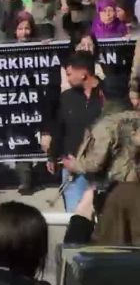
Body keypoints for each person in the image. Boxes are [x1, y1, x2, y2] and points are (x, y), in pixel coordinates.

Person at [49, 52, 104, 212]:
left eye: (69, 74)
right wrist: (53, 156)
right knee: (75, 217)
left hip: (102, 168)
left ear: (83, 73)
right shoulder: (66, 98)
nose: (67, 79)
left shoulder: (107, 96)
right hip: (72, 167)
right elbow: (59, 129)